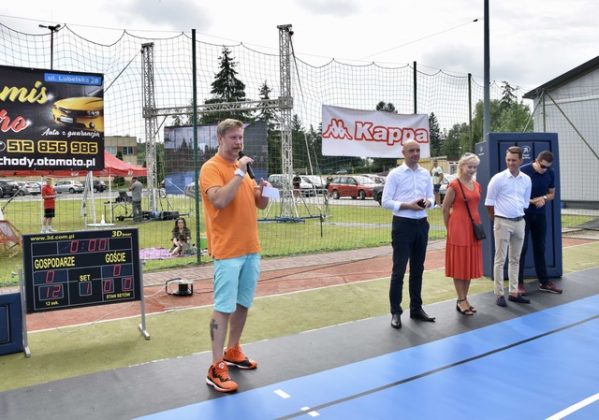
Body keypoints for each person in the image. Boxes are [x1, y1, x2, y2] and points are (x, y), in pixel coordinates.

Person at [200, 118, 270, 393]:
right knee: (224, 306)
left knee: (242, 304)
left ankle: (233, 350)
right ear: (220, 139)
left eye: (240, 138)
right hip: (227, 250)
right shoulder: (211, 168)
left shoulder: (244, 170)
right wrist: (239, 174)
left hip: (251, 248)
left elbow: (259, 204)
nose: (239, 143)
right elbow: (218, 200)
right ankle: (216, 366)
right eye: (233, 138)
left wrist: (264, 194)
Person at [381, 140, 436, 329]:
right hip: (402, 225)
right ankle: (395, 311)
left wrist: (428, 203)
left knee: (418, 269)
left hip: (422, 224)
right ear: (403, 153)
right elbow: (386, 201)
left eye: (418, 150)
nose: (415, 153)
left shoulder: (425, 174)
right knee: (399, 271)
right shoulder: (395, 175)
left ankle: (416, 308)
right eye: (411, 150)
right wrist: (407, 205)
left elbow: (432, 198)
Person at [484, 146, 532, 307]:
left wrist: (517, 217)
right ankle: (499, 294)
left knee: (515, 259)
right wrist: (497, 220)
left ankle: (513, 292)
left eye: (514, 160)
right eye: (508, 160)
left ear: (521, 161)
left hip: (520, 222)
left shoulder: (526, 180)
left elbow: (525, 203)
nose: (510, 163)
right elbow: (489, 203)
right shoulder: (498, 179)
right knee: (500, 259)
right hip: (502, 222)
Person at [442, 153, 483, 316]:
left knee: (468, 264)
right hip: (458, 228)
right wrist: (449, 228)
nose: (472, 170)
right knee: (460, 264)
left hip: (473, 228)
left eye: (474, 167)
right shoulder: (454, 185)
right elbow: (445, 208)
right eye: (469, 166)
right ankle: (461, 300)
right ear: (461, 166)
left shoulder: (477, 185)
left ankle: (464, 298)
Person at [518, 150, 563, 295]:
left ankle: (544, 282)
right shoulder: (523, 171)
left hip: (540, 215)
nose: (545, 170)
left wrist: (543, 198)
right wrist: (532, 201)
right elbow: (515, 194)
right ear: (536, 161)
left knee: (540, 248)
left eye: (547, 167)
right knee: (521, 249)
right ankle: (518, 284)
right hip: (523, 215)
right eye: (542, 166)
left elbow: (552, 194)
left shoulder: (550, 173)